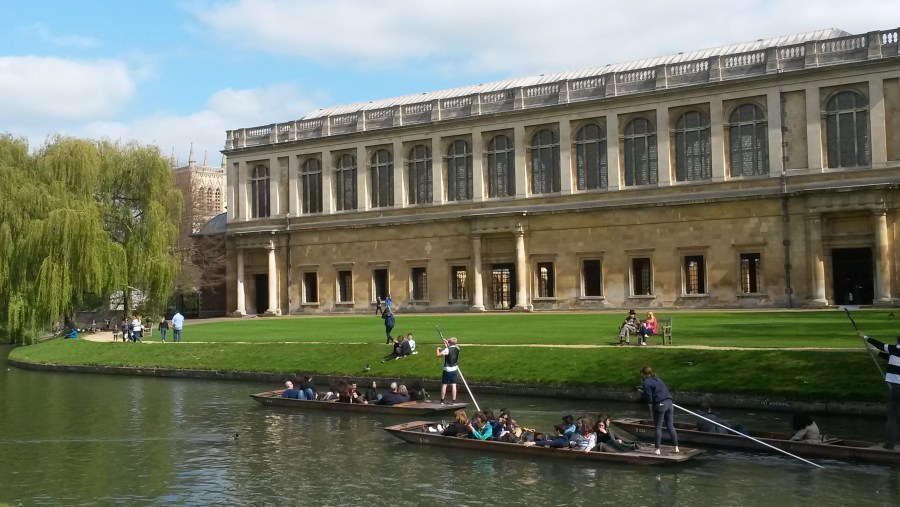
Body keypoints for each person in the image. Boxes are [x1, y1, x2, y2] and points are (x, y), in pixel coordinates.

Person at [862, 332, 900, 450]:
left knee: (892, 415)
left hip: (897, 387)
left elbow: (880, 345)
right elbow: (891, 358)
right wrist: (875, 352)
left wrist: (865, 337)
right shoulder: (895, 353)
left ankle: (889, 444)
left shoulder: (894, 349)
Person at [641, 365, 680, 455]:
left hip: (660, 404)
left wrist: (651, 411)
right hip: (669, 403)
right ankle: (676, 447)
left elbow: (649, 399)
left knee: (658, 427)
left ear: (643, 374)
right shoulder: (658, 379)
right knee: (670, 425)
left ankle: (657, 449)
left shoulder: (646, 382)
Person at [436, 336, 460, 404]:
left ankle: (442, 400)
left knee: (444, 385)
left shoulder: (447, 350)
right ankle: (454, 400)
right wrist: (447, 342)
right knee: (454, 385)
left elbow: (438, 355)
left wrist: (438, 349)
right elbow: (451, 346)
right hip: (454, 369)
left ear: (449, 343)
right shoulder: (458, 348)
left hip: (447, 369)